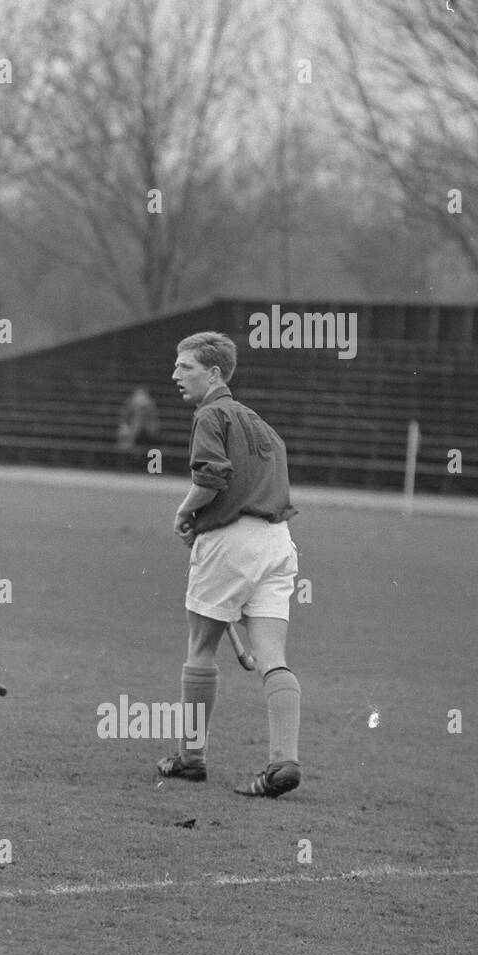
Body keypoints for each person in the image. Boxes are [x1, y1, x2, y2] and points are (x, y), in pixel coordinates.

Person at [158, 331, 303, 798]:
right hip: (278, 542)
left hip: (229, 540)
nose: (176, 375)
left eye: (187, 368)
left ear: (215, 373)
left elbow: (212, 477)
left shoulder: (210, 414)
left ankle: (190, 759)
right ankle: (283, 760)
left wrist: (185, 512)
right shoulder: (262, 424)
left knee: (201, 648)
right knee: (271, 658)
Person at [115, 386, 160, 451]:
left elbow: (154, 422)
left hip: (147, 431)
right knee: (132, 425)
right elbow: (124, 418)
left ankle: (129, 444)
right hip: (134, 429)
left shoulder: (150, 407)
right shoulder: (130, 405)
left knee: (137, 421)